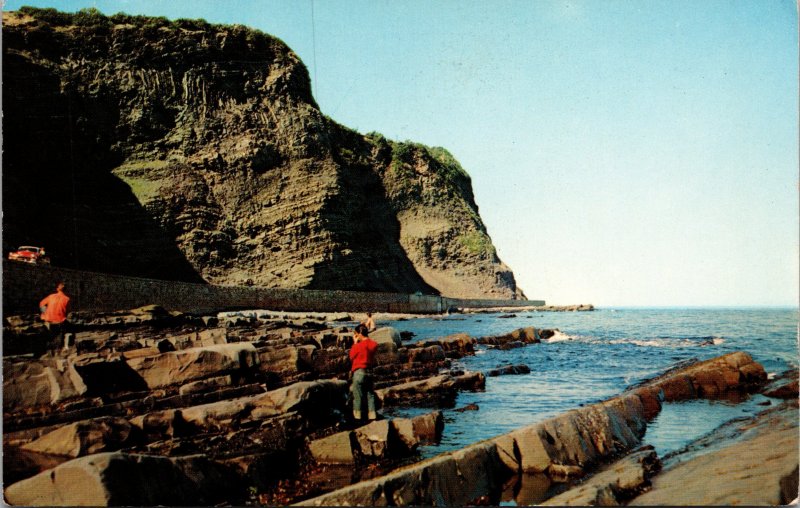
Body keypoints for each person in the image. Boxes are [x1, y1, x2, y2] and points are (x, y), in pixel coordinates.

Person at [349, 323, 378, 421]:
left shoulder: (358, 346)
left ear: (359, 334)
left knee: (358, 396)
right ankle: (372, 416)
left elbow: (351, 356)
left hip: (359, 372)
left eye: (355, 333)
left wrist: (355, 343)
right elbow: (371, 346)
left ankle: (358, 418)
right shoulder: (373, 344)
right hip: (370, 371)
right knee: (370, 394)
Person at [39, 281, 70, 356]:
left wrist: (45, 313)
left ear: (57, 289)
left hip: (49, 320)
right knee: (61, 333)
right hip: (59, 321)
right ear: (65, 290)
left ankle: (48, 350)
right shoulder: (67, 299)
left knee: (50, 335)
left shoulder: (51, 296)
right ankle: (58, 350)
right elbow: (67, 312)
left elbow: (41, 304)